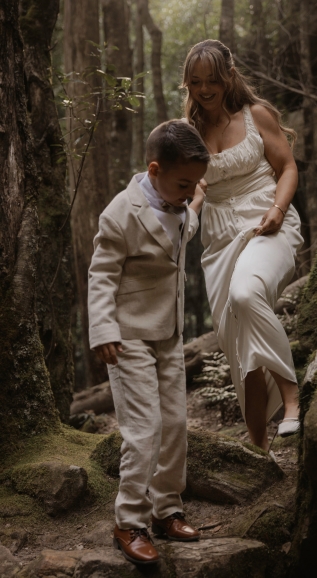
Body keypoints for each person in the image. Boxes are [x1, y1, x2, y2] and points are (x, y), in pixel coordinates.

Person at [88, 120, 209, 565]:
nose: (189, 192)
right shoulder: (120, 212)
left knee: (175, 423)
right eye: (184, 184)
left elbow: (181, 231)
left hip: (169, 333)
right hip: (128, 336)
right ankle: (129, 521)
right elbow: (101, 275)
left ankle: (166, 509)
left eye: (194, 185)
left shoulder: (180, 203)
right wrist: (103, 330)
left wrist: (194, 198)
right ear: (154, 170)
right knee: (144, 430)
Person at [181, 40, 304, 449]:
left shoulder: (256, 115)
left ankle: (291, 396)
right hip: (218, 243)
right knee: (240, 352)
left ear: (229, 76)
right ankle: (259, 448)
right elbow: (189, 189)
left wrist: (279, 209)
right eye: (195, 81)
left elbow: (288, 167)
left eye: (212, 80)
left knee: (246, 292)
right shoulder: (188, 133)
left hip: (268, 224)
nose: (204, 89)